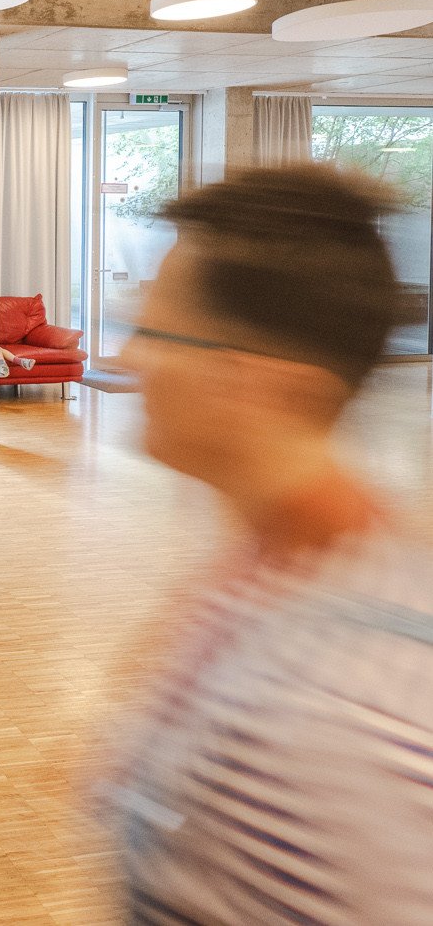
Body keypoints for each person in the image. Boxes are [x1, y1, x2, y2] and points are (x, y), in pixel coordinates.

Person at [105, 164, 433, 922]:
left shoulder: (335, 718)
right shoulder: (280, 564)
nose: (127, 361)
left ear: (259, 381)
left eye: (154, 332)